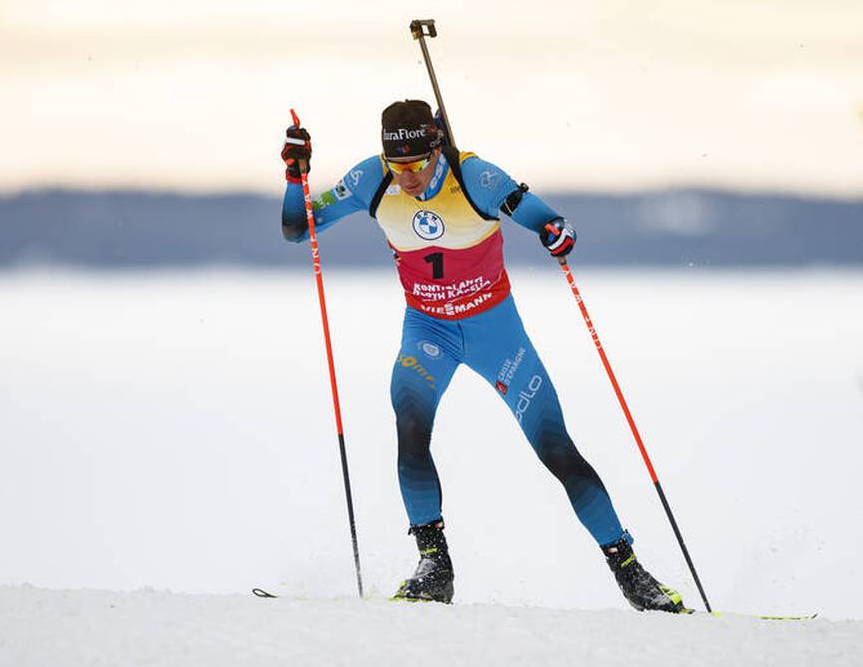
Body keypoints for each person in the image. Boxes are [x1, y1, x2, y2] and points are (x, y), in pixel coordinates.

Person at [280, 100, 687, 613]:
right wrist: (295, 177)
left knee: (557, 451)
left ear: (435, 148)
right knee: (409, 425)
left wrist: (556, 232)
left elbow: (541, 216)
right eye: (396, 165)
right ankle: (434, 567)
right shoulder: (371, 179)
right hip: (429, 330)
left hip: (496, 334)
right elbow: (298, 229)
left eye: (415, 164)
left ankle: (631, 572)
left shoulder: (474, 175)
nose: (405, 177)